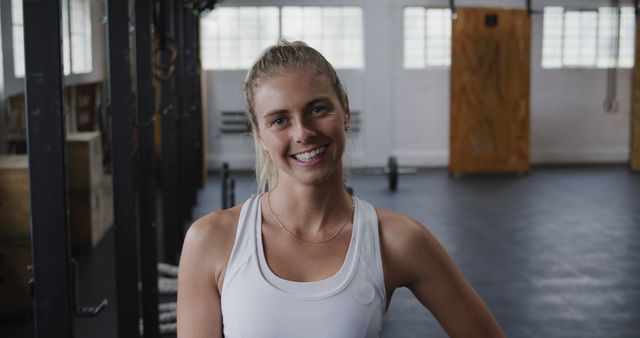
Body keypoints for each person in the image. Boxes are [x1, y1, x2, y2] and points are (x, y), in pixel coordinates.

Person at [177, 41, 505, 338]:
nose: (303, 133)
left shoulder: (397, 240)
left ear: (344, 111)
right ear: (258, 134)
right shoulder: (211, 240)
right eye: (279, 120)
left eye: (318, 109)